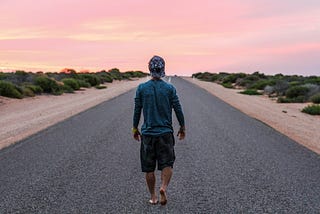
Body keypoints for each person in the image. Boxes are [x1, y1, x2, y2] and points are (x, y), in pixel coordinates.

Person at [132, 55, 185, 205]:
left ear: (150, 69)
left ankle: (153, 196)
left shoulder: (142, 88)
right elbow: (178, 109)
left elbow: (137, 110)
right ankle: (163, 187)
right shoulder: (169, 88)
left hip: (148, 134)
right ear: (163, 69)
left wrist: (134, 128)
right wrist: (182, 126)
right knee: (167, 164)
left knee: (149, 168)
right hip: (165, 134)